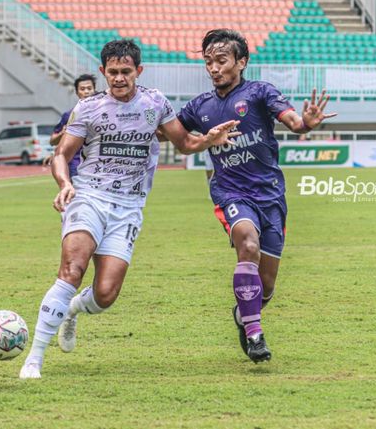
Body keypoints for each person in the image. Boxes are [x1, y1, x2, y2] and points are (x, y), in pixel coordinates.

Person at [19, 39, 239, 379]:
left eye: (125, 72)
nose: (119, 78)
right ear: (103, 72)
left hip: (129, 206)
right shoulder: (89, 108)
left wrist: (208, 139)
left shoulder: (155, 104)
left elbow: (184, 144)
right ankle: (33, 358)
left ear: (139, 71)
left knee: (106, 294)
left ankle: (72, 311)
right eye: (112, 72)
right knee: (72, 268)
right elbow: (62, 154)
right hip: (89, 195)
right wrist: (65, 185)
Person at [176, 29, 335, 363]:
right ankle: (255, 335)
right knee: (247, 243)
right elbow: (170, 132)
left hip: (270, 196)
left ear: (241, 61)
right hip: (230, 192)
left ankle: (244, 314)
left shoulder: (260, 92)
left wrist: (305, 124)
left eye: (221, 60)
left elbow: (293, 121)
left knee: (266, 288)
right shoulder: (199, 107)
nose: (214, 68)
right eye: (208, 62)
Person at [46, 74, 97, 177]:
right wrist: (62, 133)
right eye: (82, 89)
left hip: (97, 165)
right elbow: (52, 141)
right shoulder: (69, 115)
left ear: (94, 90)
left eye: (89, 88)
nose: (86, 92)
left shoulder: (103, 113)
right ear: (77, 92)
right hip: (75, 165)